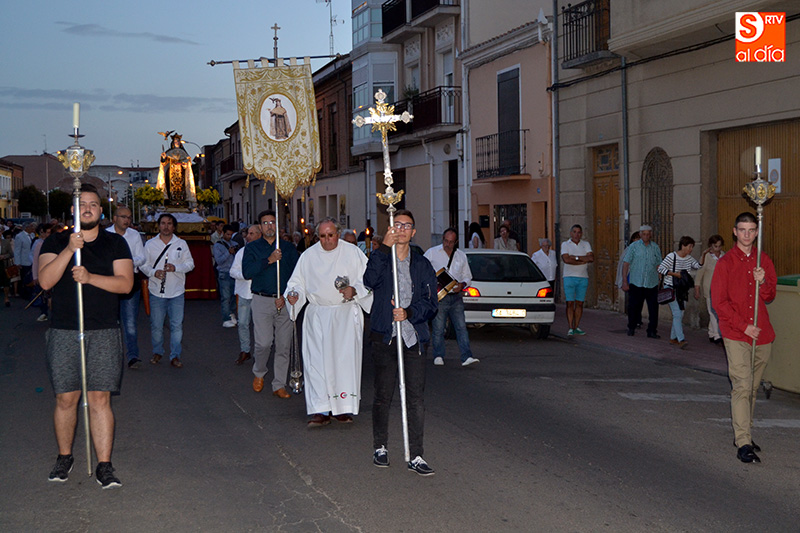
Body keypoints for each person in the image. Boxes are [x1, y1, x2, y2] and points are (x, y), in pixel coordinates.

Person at [38, 183, 134, 488]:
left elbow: (125, 284)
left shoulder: (115, 244)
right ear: (72, 211)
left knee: (99, 398)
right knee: (66, 398)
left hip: (103, 329)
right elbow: (44, 281)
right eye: (82, 205)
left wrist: (90, 277)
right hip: (65, 329)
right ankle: (64, 457)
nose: (88, 209)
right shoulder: (55, 241)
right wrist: (69, 249)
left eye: (93, 204)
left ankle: (104, 464)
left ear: (100, 210)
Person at [364, 210, 438, 475]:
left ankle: (416, 454)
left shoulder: (422, 264)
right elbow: (368, 281)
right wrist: (384, 247)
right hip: (385, 335)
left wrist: (408, 312)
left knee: (415, 398)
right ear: (391, 229)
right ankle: (380, 446)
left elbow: (432, 304)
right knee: (383, 394)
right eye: (397, 225)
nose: (402, 229)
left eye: (407, 226)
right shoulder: (382, 259)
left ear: (414, 232)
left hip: (414, 337)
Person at [285, 217, 372, 426]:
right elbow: (296, 283)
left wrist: (355, 291)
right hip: (318, 316)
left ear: (338, 233)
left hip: (345, 316)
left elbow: (369, 279)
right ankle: (320, 409)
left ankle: (342, 408)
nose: (326, 240)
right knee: (316, 363)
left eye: (330, 235)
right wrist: (293, 295)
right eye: (322, 236)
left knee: (343, 362)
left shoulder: (352, 253)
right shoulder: (308, 256)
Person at [710, 212, 777, 464]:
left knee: (752, 389)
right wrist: (743, 326)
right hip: (737, 334)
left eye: (751, 230)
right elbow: (719, 302)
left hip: (762, 335)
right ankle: (743, 442)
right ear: (735, 232)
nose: (747, 234)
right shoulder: (725, 263)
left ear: (756, 232)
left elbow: (770, 297)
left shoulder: (764, 261)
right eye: (743, 230)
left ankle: (743, 432)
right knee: (741, 385)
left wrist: (764, 282)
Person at [242, 210, 299, 398]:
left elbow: (297, 275)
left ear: (278, 225)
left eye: (272, 222)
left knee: (284, 346)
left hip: (284, 301)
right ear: (260, 227)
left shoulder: (288, 248)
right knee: (263, 343)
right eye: (265, 223)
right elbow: (247, 272)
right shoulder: (252, 248)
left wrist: (290, 294)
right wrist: (269, 260)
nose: (269, 226)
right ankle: (259, 372)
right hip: (261, 300)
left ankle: (279, 384)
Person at [140, 213, 195, 368]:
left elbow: (190, 264)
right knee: (156, 325)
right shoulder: (150, 244)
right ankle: (157, 351)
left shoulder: (181, 244)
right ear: (159, 225)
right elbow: (143, 264)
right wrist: (153, 272)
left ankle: (175, 355)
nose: (166, 226)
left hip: (176, 292)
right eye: (163, 223)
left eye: (169, 223)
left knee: (176, 325)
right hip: (157, 291)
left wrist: (175, 268)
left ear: (174, 226)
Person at [424, 228, 478, 367]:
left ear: (456, 242)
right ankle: (438, 355)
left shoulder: (461, 256)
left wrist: (463, 284)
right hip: (440, 297)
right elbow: (421, 268)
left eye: (451, 242)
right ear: (442, 239)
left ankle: (466, 356)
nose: (448, 244)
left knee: (461, 327)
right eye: (446, 241)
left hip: (456, 297)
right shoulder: (432, 253)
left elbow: (468, 276)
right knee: (438, 328)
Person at [107, 206, 146, 368]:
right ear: (114, 218)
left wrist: (127, 263)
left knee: (130, 322)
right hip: (109, 283)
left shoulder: (134, 235)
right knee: (109, 322)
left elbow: (141, 257)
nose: (127, 220)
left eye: (129, 217)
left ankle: (132, 356)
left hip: (130, 282)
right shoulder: (106, 235)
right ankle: (110, 357)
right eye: (123, 217)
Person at [658, 236, 701, 349]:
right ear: (683, 246)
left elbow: (698, 266)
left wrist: (705, 255)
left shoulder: (689, 258)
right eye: (689, 246)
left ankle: (673, 338)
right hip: (671, 288)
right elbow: (661, 269)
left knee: (680, 314)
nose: (691, 249)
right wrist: (675, 274)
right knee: (677, 313)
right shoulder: (671, 256)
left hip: (682, 289)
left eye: (692, 247)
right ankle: (681, 339)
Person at [622, 225, 663, 338]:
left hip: (651, 282)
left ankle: (652, 330)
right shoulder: (633, 247)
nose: (646, 236)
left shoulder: (655, 247)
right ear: (640, 235)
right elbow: (626, 264)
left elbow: (659, 263)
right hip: (636, 282)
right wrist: (625, 281)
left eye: (648, 234)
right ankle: (631, 327)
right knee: (633, 307)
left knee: (653, 309)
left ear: (651, 234)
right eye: (644, 234)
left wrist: (660, 278)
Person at [229, 224, 261, 365]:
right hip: (244, 293)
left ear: (260, 235)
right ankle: (245, 350)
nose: (248, 236)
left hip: (260, 294)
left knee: (260, 326)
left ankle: (259, 353)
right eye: (248, 233)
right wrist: (245, 275)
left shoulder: (265, 252)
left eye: (252, 233)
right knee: (242, 323)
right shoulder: (242, 252)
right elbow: (232, 271)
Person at [560, 224, 594, 335]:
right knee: (570, 303)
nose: (576, 234)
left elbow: (591, 258)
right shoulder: (565, 244)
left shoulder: (586, 244)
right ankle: (570, 327)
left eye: (579, 232)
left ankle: (577, 326)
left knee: (579, 303)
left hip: (583, 277)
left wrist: (575, 257)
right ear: (570, 233)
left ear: (581, 234)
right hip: (569, 277)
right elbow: (566, 259)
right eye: (574, 232)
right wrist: (582, 260)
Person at [694, 234, 725, 344]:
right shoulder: (706, 257)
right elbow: (699, 273)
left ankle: (711, 332)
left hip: (721, 289)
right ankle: (717, 335)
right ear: (710, 246)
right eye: (715, 246)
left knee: (717, 312)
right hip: (710, 289)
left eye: (719, 246)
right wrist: (697, 288)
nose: (717, 249)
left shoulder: (723, 256)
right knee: (712, 311)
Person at [156, 133, 197, 207]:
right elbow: (164, 163)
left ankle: (182, 200)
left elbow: (188, 160)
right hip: (171, 172)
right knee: (170, 187)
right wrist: (164, 157)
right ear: (173, 143)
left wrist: (184, 163)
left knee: (182, 187)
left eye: (178, 141)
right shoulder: (169, 152)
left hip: (181, 173)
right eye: (175, 142)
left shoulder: (183, 152)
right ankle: (171, 201)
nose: (177, 143)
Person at [213, 224, 239, 328]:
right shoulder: (217, 245)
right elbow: (219, 261)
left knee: (233, 296)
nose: (229, 236)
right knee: (226, 297)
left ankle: (231, 312)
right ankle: (226, 318)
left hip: (234, 273)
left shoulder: (235, 243)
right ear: (223, 233)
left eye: (231, 235)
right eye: (227, 234)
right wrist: (228, 252)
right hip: (224, 273)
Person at [31, 223, 54, 321]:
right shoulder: (39, 244)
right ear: (43, 233)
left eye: (50, 232)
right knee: (44, 294)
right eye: (47, 232)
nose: (49, 234)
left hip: (55, 273)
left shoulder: (56, 243)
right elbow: (35, 260)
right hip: (44, 273)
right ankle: (44, 312)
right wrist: (35, 276)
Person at [13, 222, 35, 298]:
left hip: (31, 260)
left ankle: (30, 292)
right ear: (26, 228)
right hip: (24, 260)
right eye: (31, 227)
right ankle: (24, 293)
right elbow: (17, 250)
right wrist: (17, 262)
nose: (32, 229)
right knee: (24, 277)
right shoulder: (20, 236)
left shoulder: (32, 235)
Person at [0, 229, 13, 306]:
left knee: (6, 282)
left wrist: (4, 256)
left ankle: (6, 298)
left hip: (4, 264)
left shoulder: (6, 242)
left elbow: (11, 254)